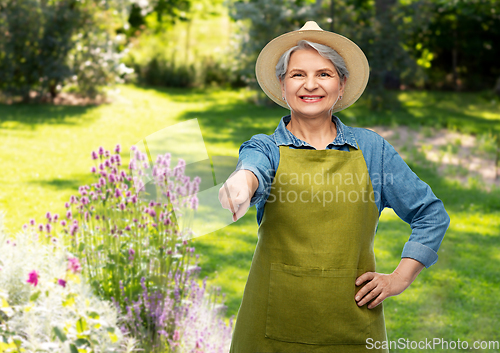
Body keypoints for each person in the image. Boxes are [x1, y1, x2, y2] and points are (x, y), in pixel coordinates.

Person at [219, 21, 450, 353]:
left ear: (341, 85)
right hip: (270, 327)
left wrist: (400, 277)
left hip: (353, 329)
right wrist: (240, 184)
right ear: (282, 85)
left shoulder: (373, 151)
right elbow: (251, 170)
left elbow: (430, 214)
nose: (310, 84)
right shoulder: (265, 147)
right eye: (298, 74)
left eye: (324, 74)